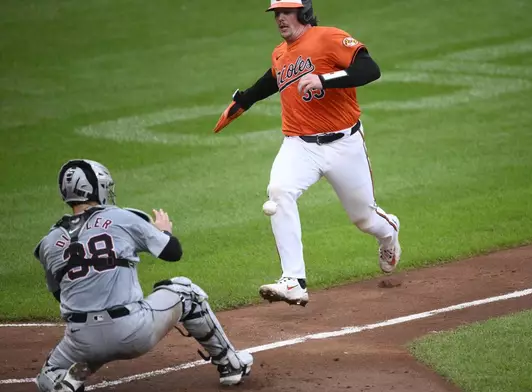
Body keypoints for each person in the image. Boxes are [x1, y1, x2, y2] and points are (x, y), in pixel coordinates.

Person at [213, 0, 401, 307]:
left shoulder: (328, 37)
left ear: (303, 12)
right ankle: (294, 281)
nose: (280, 19)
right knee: (279, 190)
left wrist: (324, 79)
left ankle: (389, 232)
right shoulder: (280, 53)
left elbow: (370, 69)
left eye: (286, 12)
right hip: (299, 145)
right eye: (277, 14)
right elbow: (272, 79)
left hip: (344, 144)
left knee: (364, 218)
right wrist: (243, 101)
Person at [33, 159, 252, 392]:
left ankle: (68, 381)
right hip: (132, 331)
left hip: (80, 341)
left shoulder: (49, 242)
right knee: (186, 292)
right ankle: (231, 365)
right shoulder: (121, 218)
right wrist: (164, 231)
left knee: (48, 376)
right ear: (97, 188)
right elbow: (172, 252)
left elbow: (60, 293)